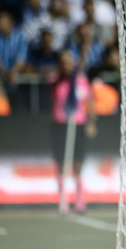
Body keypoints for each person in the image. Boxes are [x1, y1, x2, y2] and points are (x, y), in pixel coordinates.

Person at [50, 50, 97, 214]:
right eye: (63, 62)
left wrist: (91, 123)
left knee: (78, 162)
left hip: (78, 124)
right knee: (62, 163)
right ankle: (62, 199)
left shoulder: (81, 81)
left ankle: (79, 199)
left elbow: (89, 102)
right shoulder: (55, 81)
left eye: (69, 61)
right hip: (61, 124)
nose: (67, 65)